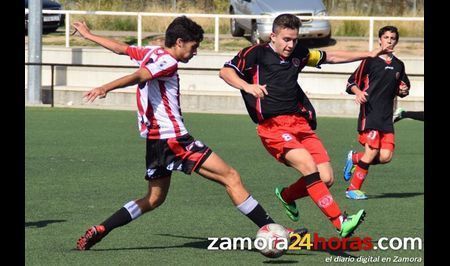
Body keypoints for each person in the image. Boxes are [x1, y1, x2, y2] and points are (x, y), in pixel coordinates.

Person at [73, 16, 305, 251]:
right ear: (180, 42)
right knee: (231, 177)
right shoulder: (167, 62)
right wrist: (105, 87)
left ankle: (101, 229)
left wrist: (89, 34)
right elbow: (141, 76)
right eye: (194, 47)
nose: (195, 52)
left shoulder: (150, 52)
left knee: (154, 199)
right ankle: (276, 231)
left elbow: (121, 48)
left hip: (155, 143)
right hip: (175, 139)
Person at [219, 14, 392, 237]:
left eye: (294, 40)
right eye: (286, 39)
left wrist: (367, 54)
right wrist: (247, 86)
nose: (290, 45)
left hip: (300, 124)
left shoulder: (299, 53)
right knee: (309, 167)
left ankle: (287, 196)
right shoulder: (256, 53)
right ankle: (340, 221)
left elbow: (330, 57)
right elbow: (226, 71)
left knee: (326, 178)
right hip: (273, 127)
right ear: (273, 36)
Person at [342, 26, 410, 200]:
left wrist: (403, 90)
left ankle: (355, 158)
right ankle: (352, 190)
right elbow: (351, 83)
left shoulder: (399, 65)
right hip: (370, 113)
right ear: (380, 40)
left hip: (387, 117)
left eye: (392, 38)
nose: (389, 40)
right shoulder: (370, 60)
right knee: (371, 152)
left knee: (386, 157)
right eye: (386, 37)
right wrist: (358, 92)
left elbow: (403, 87)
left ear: (396, 41)